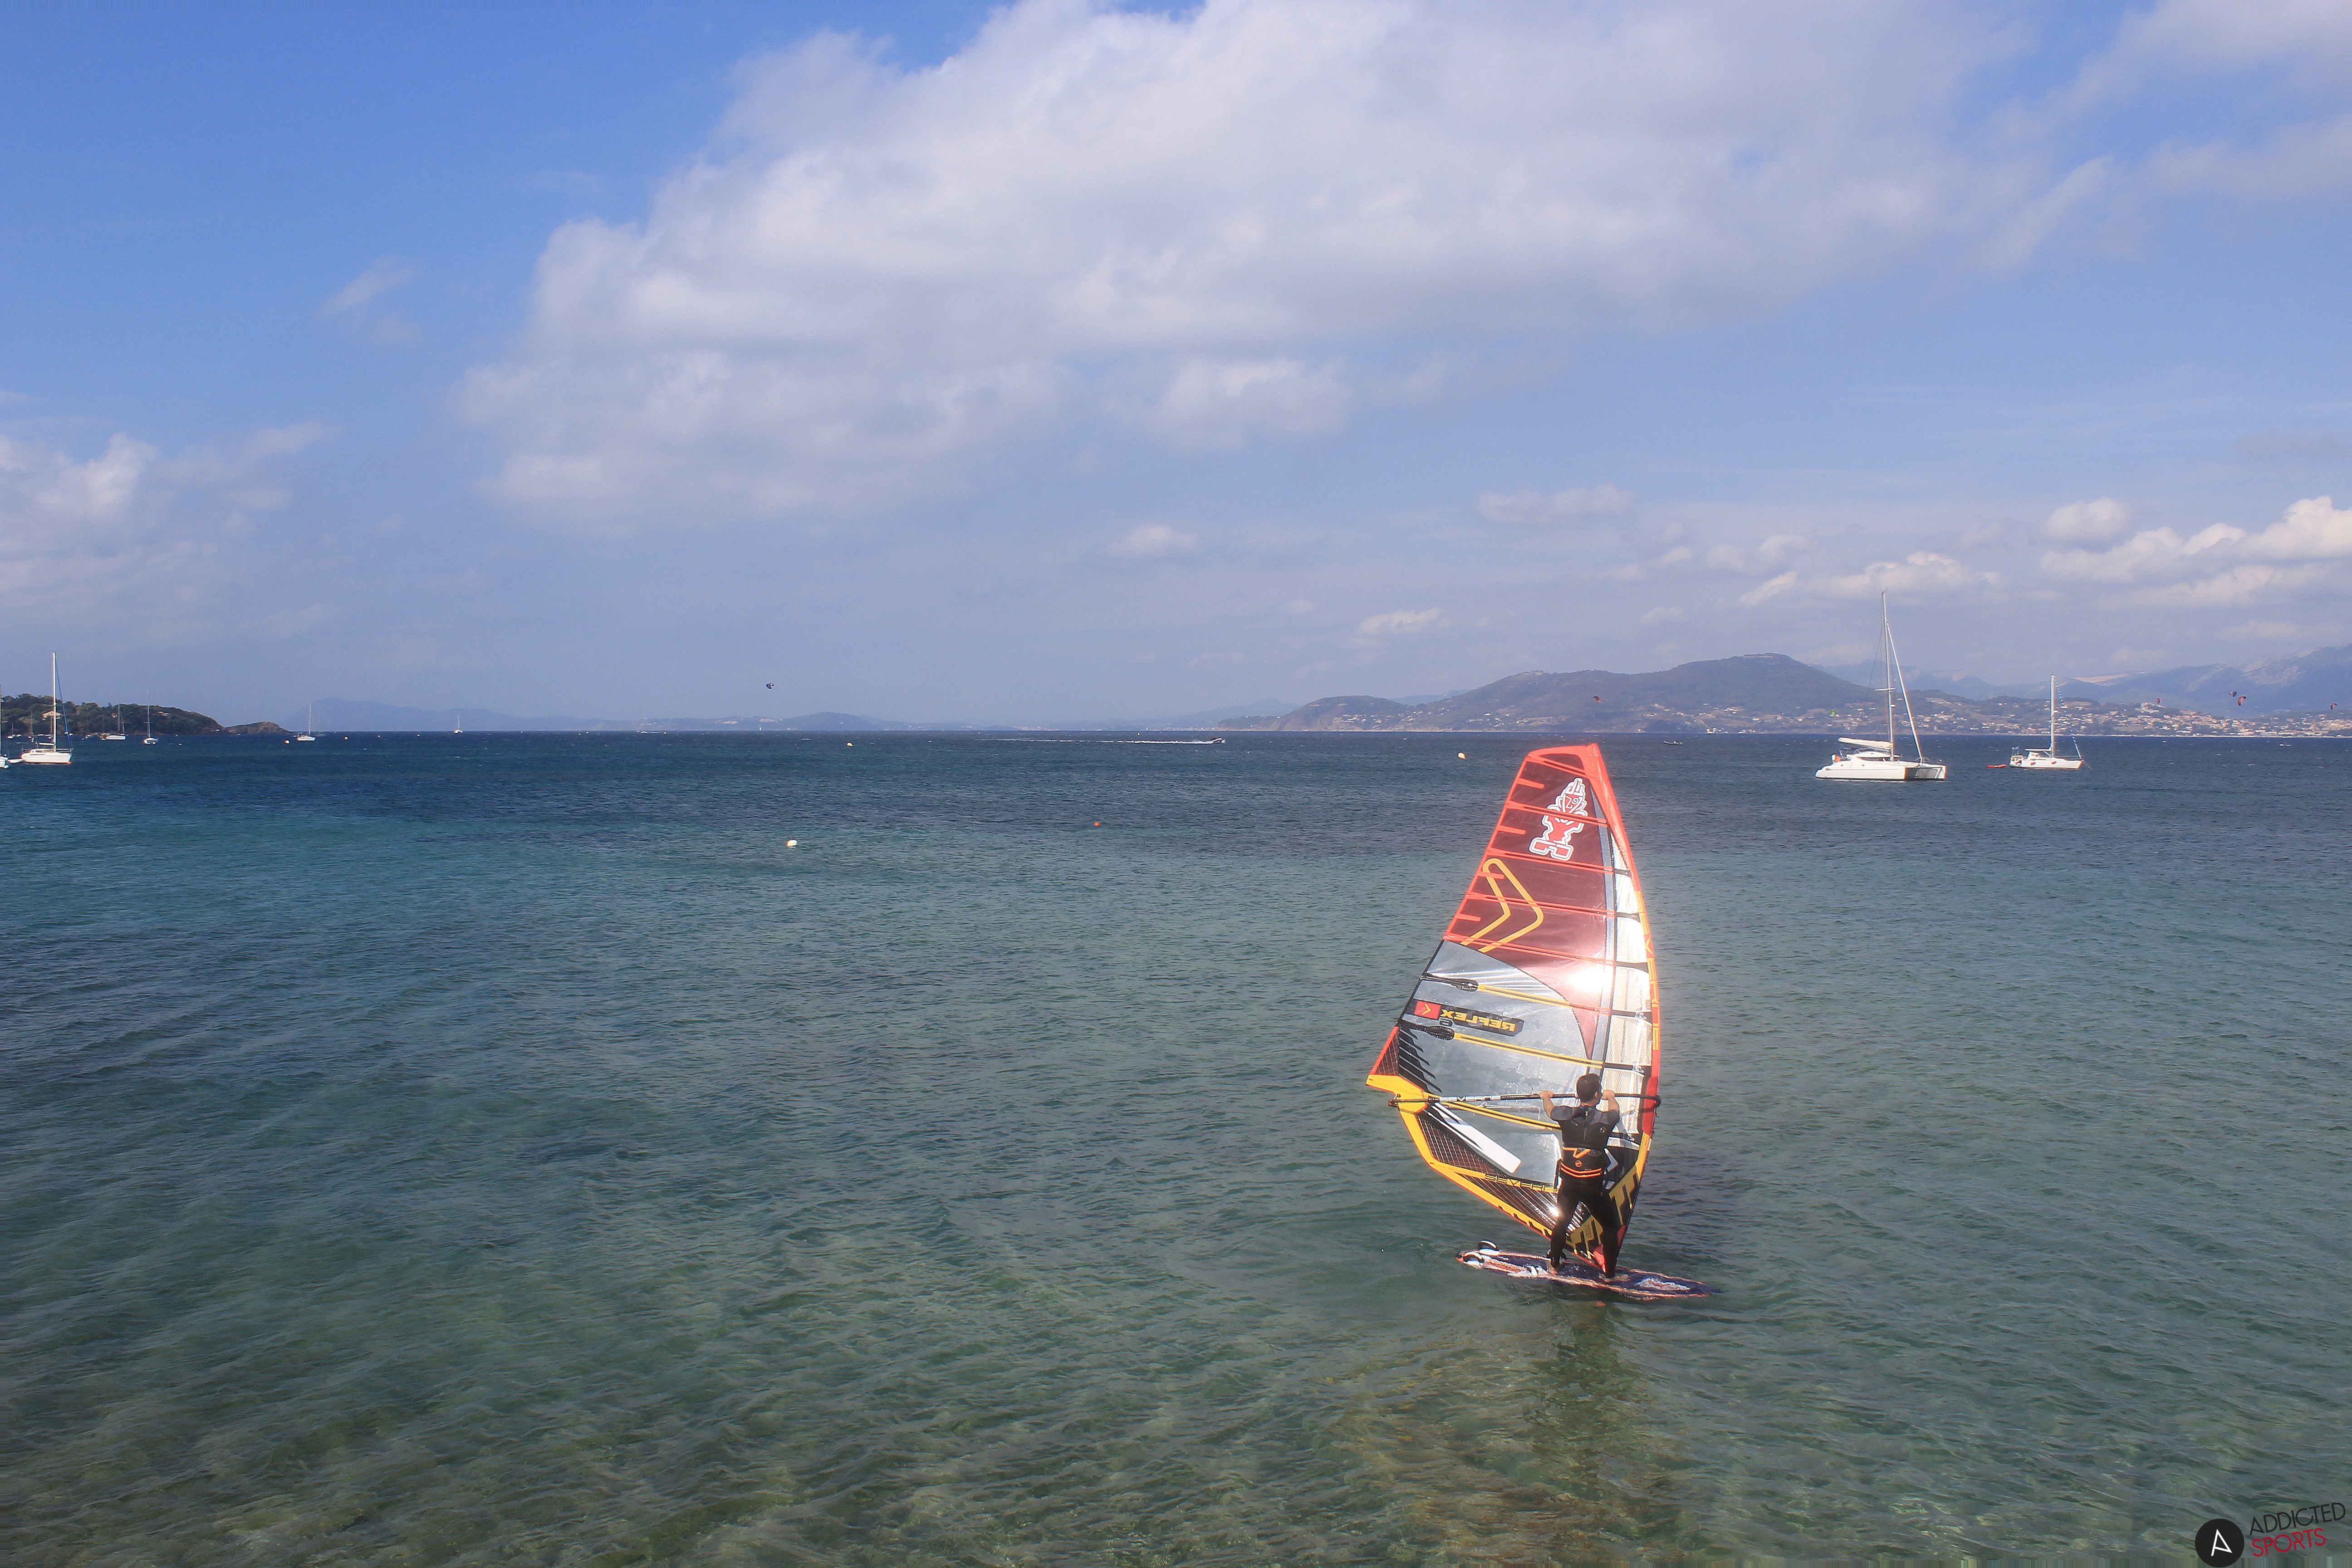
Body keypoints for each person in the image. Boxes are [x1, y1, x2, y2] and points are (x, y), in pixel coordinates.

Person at [1539, 1073, 1632, 1276]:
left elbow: (1550, 1110)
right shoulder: (1607, 1119)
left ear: (1578, 1094)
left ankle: (1554, 1265)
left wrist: (1546, 1096)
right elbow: (1615, 1110)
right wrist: (1611, 1097)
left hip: (1569, 1185)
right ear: (1597, 1095)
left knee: (1562, 1223)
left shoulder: (1565, 1114)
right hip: (1592, 1188)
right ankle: (1609, 1276)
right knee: (1611, 1226)